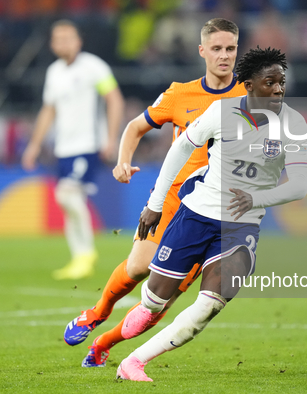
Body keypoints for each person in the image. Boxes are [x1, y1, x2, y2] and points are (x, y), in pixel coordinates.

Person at [116, 47, 307, 382]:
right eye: (270, 82)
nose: (279, 89)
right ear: (248, 85)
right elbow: (180, 149)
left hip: (241, 225)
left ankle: (133, 362)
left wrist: (256, 198)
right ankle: (132, 321)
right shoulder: (221, 113)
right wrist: (156, 204)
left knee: (209, 305)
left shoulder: (292, 123)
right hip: (196, 214)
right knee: (154, 301)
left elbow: (300, 185)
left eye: (282, 82)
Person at [63, 19, 247, 366]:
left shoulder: (249, 97)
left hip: (213, 210)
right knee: (137, 266)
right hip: (174, 198)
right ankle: (96, 313)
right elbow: (135, 127)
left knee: (159, 302)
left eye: (231, 48)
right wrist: (123, 162)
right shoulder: (180, 93)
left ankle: (103, 344)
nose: (224, 56)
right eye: (218, 48)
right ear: (202, 51)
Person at [21, 20, 124, 280]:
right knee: (69, 202)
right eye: (58, 38)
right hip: (64, 149)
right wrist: (34, 145)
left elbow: (114, 99)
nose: (63, 42)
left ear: (79, 40)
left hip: (88, 145)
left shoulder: (93, 67)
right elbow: (49, 110)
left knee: (65, 195)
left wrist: (111, 138)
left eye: (68, 37)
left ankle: (86, 253)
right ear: (52, 44)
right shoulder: (54, 72)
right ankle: (79, 258)